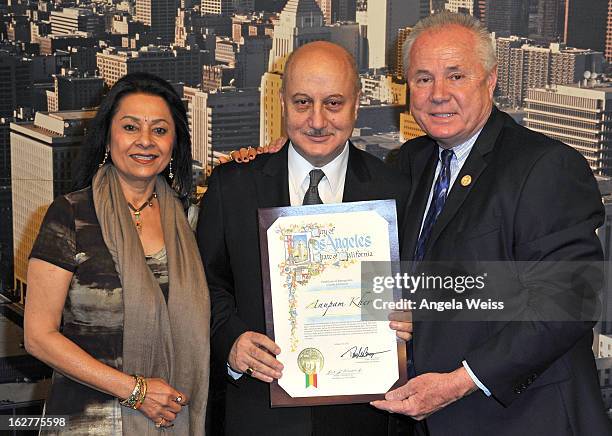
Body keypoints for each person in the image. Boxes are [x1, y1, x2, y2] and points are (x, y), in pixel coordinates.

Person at [369, 11, 612, 436]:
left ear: (492, 79)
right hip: (425, 419)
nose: (438, 94)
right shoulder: (410, 163)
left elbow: (570, 299)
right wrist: (286, 154)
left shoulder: (544, 166)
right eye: (423, 79)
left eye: (456, 76)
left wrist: (460, 382)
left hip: (524, 419)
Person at [197, 41, 411, 436]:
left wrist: (413, 315)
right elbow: (205, 283)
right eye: (301, 103)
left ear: (356, 103)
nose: (317, 121)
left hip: (365, 418)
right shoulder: (232, 186)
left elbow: (416, 285)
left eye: (333, 103)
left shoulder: (397, 190)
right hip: (258, 414)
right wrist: (230, 340)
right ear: (281, 103)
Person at [24, 72, 210, 434]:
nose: (145, 141)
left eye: (159, 130)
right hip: (85, 421)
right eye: (130, 127)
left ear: (175, 144)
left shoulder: (191, 222)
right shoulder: (70, 214)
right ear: (108, 138)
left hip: (172, 419)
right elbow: (37, 336)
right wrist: (136, 391)